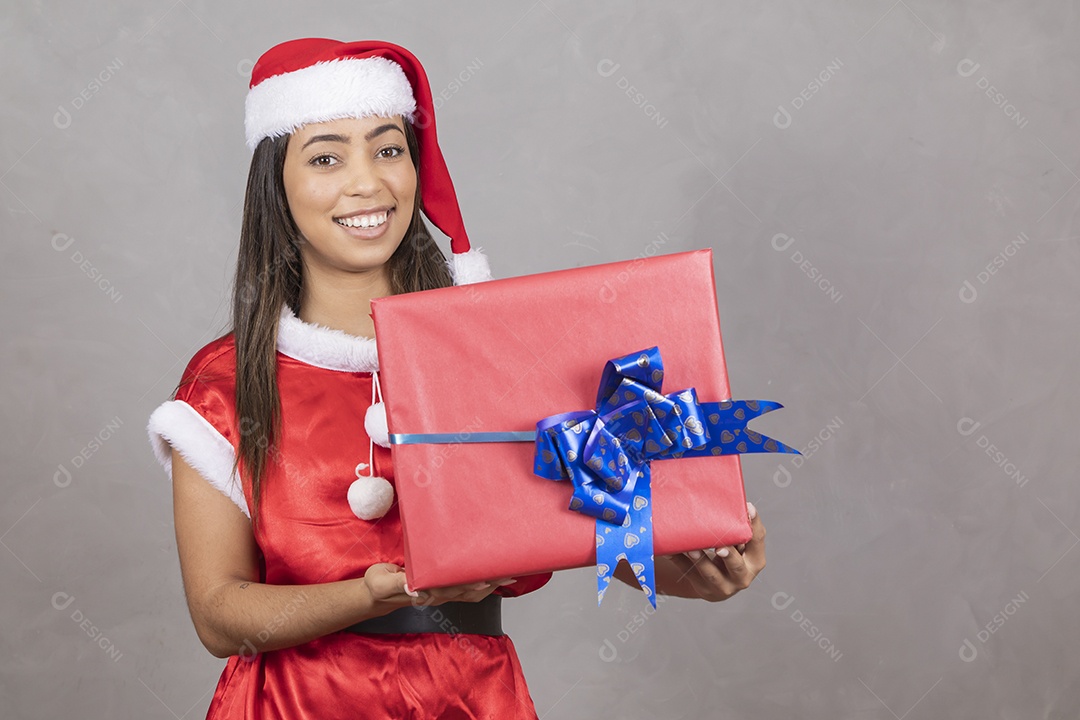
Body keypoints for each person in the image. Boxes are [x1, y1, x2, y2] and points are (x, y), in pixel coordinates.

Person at [146, 38, 768, 719]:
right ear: (277, 185)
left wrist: (693, 562)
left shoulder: (495, 350)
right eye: (326, 157)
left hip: (471, 701)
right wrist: (377, 592)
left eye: (389, 149)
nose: (368, 183)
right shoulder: (224, 384)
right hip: (293, 704)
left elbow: (572, 521)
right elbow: (218, 615)